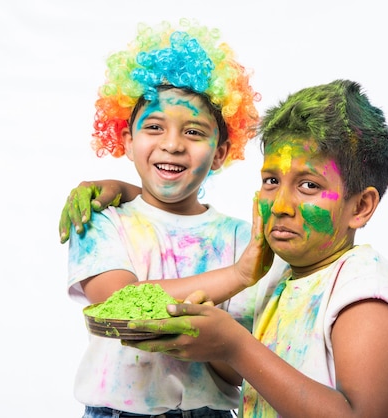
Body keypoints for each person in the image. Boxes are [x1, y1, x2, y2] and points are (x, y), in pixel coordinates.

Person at [63, 79, 388, 417]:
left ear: (360, 207)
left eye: (309, 186)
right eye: (271, 180)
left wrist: (234, 345)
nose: (281, 205)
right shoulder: (281, 278)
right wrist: (125, 191)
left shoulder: (366, 293)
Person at [66, 19, 267, 418]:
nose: (172, 145)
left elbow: (234, 370)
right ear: (126, 140)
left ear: (222, 152)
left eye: (193, 132)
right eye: (154, 127)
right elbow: (118, 304)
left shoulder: (241, 238)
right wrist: (239, 276)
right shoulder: (101, 221)